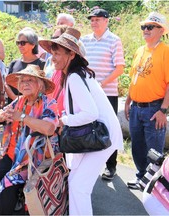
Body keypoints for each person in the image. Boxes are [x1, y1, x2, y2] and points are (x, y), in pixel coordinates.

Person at [39, 27, 123, 215]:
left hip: (102, 136)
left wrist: (63, 120)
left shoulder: (75, 77)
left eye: (57, 53)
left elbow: (90, 113)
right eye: (52, 53)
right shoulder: (76, 74)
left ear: (71, 54)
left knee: (79, 187)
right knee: (76, 184)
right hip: (102, 134)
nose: (53, 58)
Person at [0, 64, 59, 215]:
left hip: (32, 161)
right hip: (11, 156)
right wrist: (0, 116)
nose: (25, 83)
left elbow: (49, 128)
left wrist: (23, 117)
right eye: (22, 80)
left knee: (7, 194)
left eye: (30, 80)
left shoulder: (49, 103)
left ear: (40, 85)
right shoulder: (20, 101)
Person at [124, 12, 169, 189]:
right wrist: (128, 101)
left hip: (154, 108)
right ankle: (141, 177)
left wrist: (163, 110)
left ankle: (154, 184)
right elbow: (134, 79)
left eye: (150, 27)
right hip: (136, 107)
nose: (146, 30)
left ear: (161, 30)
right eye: (144, 27)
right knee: (137, 146)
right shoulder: (140, 50)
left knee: (154, 149)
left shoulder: (166, 52)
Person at [81, 8, 125, 181]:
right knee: (87, 127)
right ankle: (89, 164)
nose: (94, 22)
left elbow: (119, 68)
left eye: (98, 19)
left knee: (109, 129)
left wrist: (100, 84)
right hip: (87, 93)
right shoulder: (84, 40)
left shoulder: (114, 40)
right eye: (92, 20)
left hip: (107, 93)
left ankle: (111, 166)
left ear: (106, 21)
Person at [5, 27, 45, 104]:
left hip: (34, 105)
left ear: (33, 45)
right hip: (13, 105)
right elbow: (6, 83)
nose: (20, 45)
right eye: (18, 43)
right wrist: (16, 99)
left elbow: (43, 88)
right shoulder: (14, 63)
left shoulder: (41, 64)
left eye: (23, 43)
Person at [44, 25, 68, 117]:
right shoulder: (50, 60)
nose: (54, 41)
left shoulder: (74, 74)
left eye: (57, 38)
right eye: (52, 38)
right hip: (53, 108)